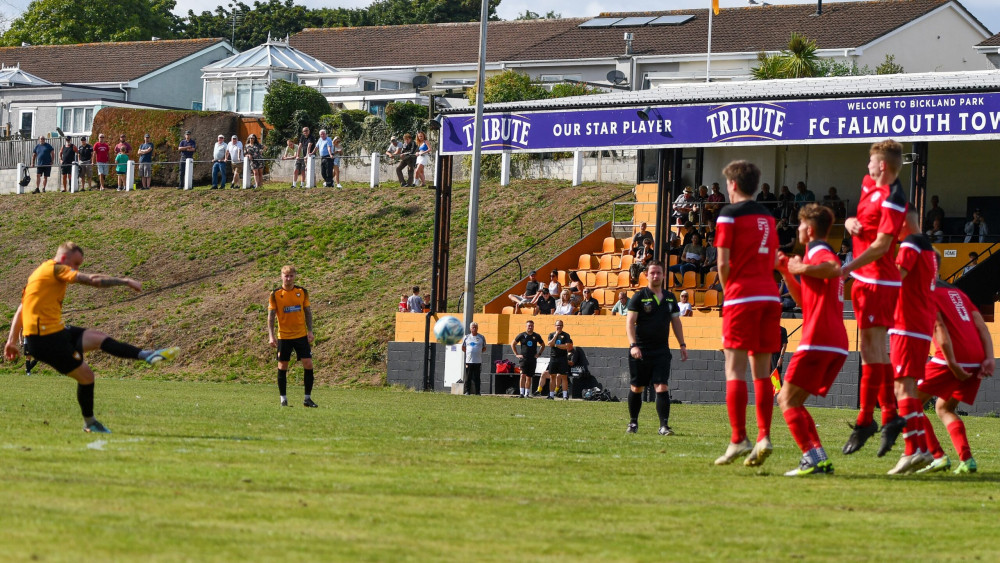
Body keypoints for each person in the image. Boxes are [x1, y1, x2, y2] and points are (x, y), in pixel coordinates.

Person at [2, 242, 179, 433]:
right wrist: (125, 281)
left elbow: (21, 308)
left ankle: (148, 356)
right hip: (45, 340)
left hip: (55, 332)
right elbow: (92, 280)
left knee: (98, 337)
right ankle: (90, 423)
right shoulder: (56, 269)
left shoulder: (39, 273)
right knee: (86, 376)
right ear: (63, 259)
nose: (76, 269)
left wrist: (11, 341)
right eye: (75, 264)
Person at [840, 139, 908, 456]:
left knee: (872, 353)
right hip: (866, 279)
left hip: (878, 281)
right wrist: (848, 222)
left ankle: (869, 419)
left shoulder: (894, 197)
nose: (866, 166)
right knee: (873, 352)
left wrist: (847, 267)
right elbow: (861, 224)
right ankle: (889, 417)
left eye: (870, 161)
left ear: (882, 165)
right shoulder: (869, 184)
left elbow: (882, 245)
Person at [714, 160, 780, 467]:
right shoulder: (768, 216)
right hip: (770, 295)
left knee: (734, 369)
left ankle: (739, 438)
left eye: (728, 184)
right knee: (762, 371)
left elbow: (723, 263)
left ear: (734, 185)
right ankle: (764, 435)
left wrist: (730, 293)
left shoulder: (728, 215)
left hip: (743, 296)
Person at [774, 204, 847, 476]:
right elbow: (806, 300)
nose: (798, 229)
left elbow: (832, 267)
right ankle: (819, 458)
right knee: (793, 400)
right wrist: (786, 271)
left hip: (818, 338)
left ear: (810, 229)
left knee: (785, 399)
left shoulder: (819, 252)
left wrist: (802, 267)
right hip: (833, 340)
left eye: (800, 225)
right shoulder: (813, 256)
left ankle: (810, 458)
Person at [914, 280, 994, 474]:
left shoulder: (926, 291)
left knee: (909, 402)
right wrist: (990, 358)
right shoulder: (959, 293)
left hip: (952, 357)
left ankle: (938, 456)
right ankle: (967, 460)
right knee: (944, 407)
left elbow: (939, 327)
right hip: (976, 358)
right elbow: (981, 325)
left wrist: (952, 364)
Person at [883, 209, 939, 474]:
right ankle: (922, 449)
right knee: (907, 390)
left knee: (903, 389)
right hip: (920, 326)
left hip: (907, 325)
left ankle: (913, 449)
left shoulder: (909, 245)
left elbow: (896, 277)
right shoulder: (928, 248)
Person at [625, 259, 687, 435]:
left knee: (662, 386)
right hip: (640, 351)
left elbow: (676, 322)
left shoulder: (670, 297)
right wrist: (633, 345)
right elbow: (629, 322)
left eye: (658, 272)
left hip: (661, 351)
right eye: (652, 272)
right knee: (637, 388)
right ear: (646, 275)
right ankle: (633, 423)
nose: (655, 275)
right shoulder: (639, 296)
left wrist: (682, 344)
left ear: (664, 275)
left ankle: (664, 426)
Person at [267, 265, 317, 408]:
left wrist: (310, 331)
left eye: (291, 276)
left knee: (308, 364)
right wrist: (271, 335)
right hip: (284, 336)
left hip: (301, 335)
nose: (288, 278)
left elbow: (307, 312)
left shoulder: (302, 292)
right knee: (282, 366)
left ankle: (307, 398)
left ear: (295, 276)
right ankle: (283, 399)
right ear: (281, 276)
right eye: (286, 276)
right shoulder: (275, 294)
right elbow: (270, 317)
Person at [511, 320, 544, 398]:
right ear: (526, 326)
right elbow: (513, 344)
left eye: (531, 326)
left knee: (529, 377)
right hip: (524, 359)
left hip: (532, 359)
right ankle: (521, 393)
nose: (530, 327)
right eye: (529, 325)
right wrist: (517, 354)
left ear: (533, 326)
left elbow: (543, 345)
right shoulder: (522, 335)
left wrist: (539, 354)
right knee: (522, 375)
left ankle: (527, 394)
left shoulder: (536, 336)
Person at [541, 320, 572, 400]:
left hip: (563, 358)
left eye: (561, 325)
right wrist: (556, 335)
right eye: (558, 325)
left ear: (563, 326)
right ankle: (551, 395)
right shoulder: (551, 334)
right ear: (555, 326)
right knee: (552, 376)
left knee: (564, 377)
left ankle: (565, 396)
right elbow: (550, 344)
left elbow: (567, 346)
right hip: (554, 358)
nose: (559, 327)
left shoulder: (566, 335)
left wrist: (556, 345)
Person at [461, 322, 486, 395]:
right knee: (468, 377)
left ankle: (477, 392)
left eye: (475, 327)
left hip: (478, 361)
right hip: (469, 361)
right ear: (470, 328)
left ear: (477, 328)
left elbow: (484, 348)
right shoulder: (466, 337)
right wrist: (470, 352)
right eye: (473, 327)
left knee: (477, 377)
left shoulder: (481, 337)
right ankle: (467, 391)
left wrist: (477, 352)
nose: (474, 329)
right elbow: (463, 347)